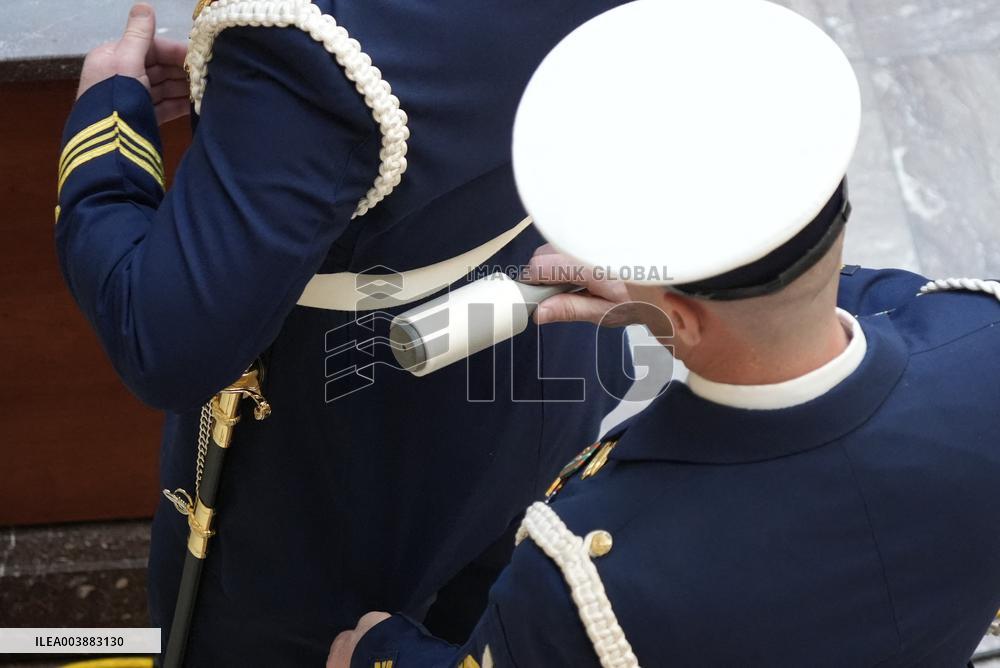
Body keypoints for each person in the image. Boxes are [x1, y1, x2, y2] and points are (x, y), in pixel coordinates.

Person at [328, 1, 1000, 666]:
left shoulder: (599, 576)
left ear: (679, 317)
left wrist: (376, 651)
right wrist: (671, 301)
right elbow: (863, 299)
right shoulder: (982, 342)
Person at [55, 1, 635, 664]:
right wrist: (263, 130)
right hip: (545, 351)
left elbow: (163, 344)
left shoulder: (300, 34)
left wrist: (107, 133)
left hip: (340, 448)